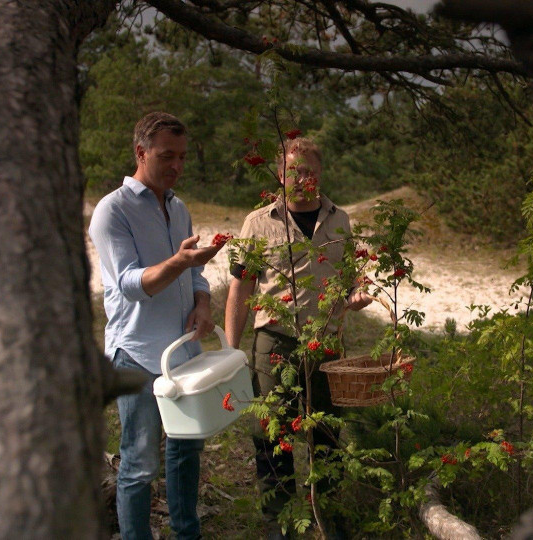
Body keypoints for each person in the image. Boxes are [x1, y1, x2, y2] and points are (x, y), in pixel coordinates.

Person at [224, 138, 372, 540]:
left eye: (310, 171)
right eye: (294, 171)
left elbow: (351, 276)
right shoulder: (257, 222)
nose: (303, 179)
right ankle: (280, 522)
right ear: (280, 175)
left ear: (320, 175)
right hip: (275, 343)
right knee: (272, 434)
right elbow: (241, 288)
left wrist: (359, 292)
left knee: (327, 434)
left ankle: (329, 516)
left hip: (326, 345)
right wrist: (230, 351)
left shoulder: (340, 220)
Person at [89, 112, 226, 540]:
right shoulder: (112, 210)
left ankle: (187, 533)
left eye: (182, 157)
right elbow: (131, 285)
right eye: (167, 156)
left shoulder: (178, 207)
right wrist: (179, 262)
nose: (177, 166)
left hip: (182, 352)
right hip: (137, 353)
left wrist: (202, 302)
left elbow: (195, 275)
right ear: (141, 152)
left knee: (186, 451)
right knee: (139, 462)